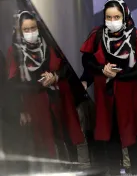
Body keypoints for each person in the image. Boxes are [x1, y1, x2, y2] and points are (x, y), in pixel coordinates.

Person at [80, 0, 137, 175]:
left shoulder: (136, 35)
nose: (112, 22)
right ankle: (113, 171)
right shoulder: (97, 35)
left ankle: (135, 172)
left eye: (116, 17)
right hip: (106, 94)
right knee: (110, 134)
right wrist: (101, 70)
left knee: (132, 133)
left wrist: (119, 74)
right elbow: (86, 60)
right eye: (108, 17)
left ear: (125, 15)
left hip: (130, 93)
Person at [6, 11, 84, 159]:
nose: (31, 33)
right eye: (26, 30)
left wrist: (55, 76)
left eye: (33, 28)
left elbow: (68, 65)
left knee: (67, 137)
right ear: (20, 31)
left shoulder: (50, 44)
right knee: (45, 143)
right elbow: (13, 83)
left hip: (58, 98)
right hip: (34, 103)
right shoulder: (15, 51)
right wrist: (21, 109)